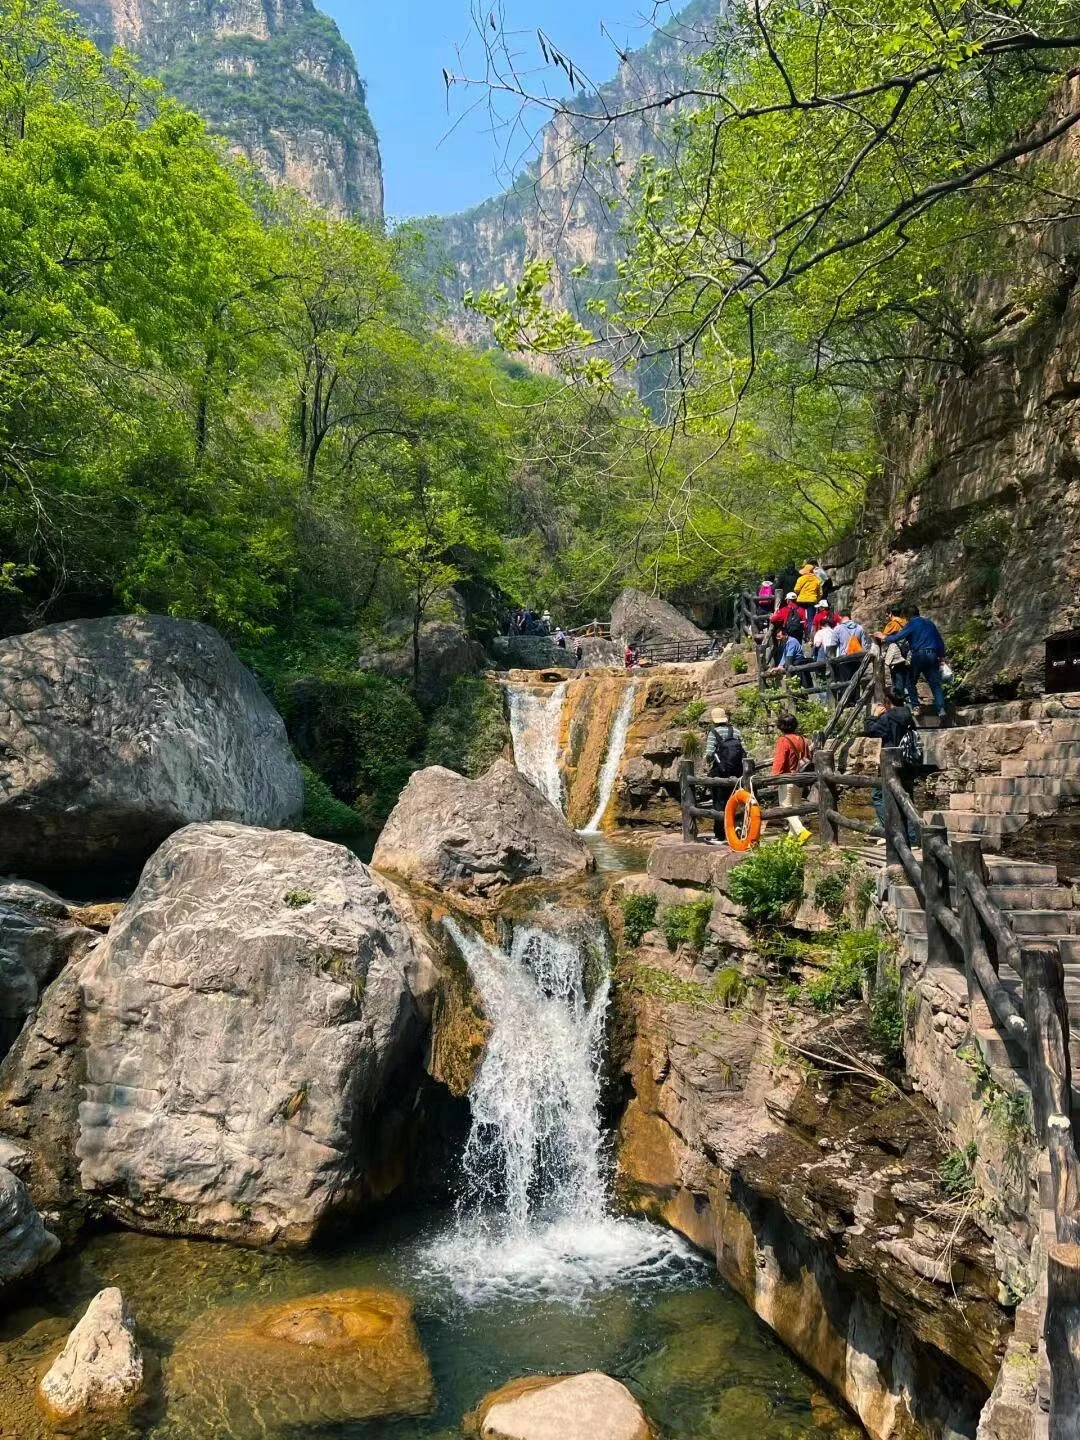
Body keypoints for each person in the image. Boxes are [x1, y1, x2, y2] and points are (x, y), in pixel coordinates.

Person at [864, 691, 921, 844]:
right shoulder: (908, 715)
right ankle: (914, 838)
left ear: (887, 702)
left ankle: (891, 831)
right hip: (908, 762)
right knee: (906, 797)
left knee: (878, 795)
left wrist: (873, 715)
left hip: (890, 764)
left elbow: (871, 731)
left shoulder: (888, 717)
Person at [883, 606, 948, 718]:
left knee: (910, 681)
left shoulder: (912, 624)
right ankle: (941, 708)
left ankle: (916, 706)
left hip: (918, 655)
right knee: (935, 683)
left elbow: (898, 637)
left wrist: (884, 637)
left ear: (908, 616)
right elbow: (940, 641)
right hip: (932, 654)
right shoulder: (929, 623)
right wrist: (941, 656)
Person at [704, 706, 746, 841]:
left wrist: (708, 761)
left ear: (714, 720)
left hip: (720, 772)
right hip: (738, 772)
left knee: (719, 803)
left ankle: (721, 835)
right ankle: (738, 829)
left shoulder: (713, 733)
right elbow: (745, 751)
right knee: (737, 802)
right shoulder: (736, 731)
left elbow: (709, 754)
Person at [773, 714, 813, 844]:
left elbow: (780, 761)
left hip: (787, 778)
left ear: (781, 726)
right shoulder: (803, 739)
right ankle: (792, 838)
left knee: (786, 808)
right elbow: (808, 758)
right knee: (795, 807)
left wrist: (773, 779)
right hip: (800, 778)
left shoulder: (783, 740)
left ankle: (801, 831)